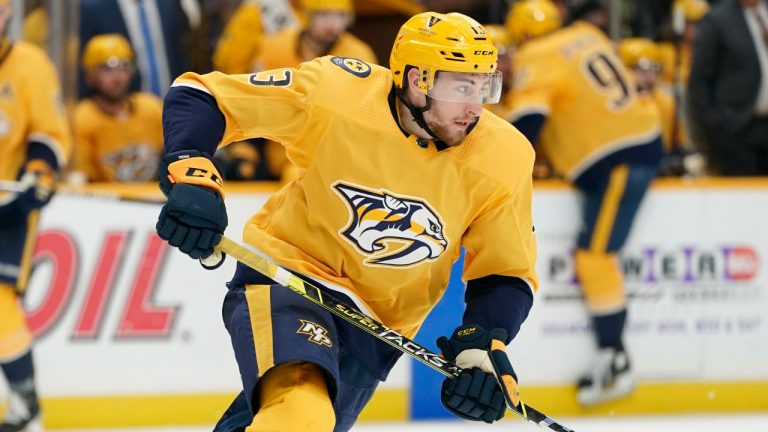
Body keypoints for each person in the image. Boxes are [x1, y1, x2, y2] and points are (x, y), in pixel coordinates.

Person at [157, 11, 538, 431]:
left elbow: (505, 271)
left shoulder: (505, 155)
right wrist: (191, 170)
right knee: (302, 409)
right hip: (290, 277)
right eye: (462, 86)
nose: (475, 106)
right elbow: (203, 94)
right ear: (417, 80)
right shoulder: (338, 92)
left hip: (378, 327)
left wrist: (482, 341)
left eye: (485, 86)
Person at [507, 0, 662, 406]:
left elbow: (527, 123)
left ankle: (615, 359)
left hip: (616, 159)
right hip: (639, 141)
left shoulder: (535, 55)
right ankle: (614, 357)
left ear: (522, 34)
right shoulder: (586, 34)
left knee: (595, 257)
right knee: (595, 253)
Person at [0, 0, 72, 430]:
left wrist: (39, 171)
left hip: (7, 207)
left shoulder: (30, 65)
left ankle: (26, 406)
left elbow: (49, 132)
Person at [687, 0, 768, 176]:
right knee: (741, 198)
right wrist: (716, 125)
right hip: (738, 129)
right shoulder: (717, 20)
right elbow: (698, 81)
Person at [73, 34, 164, 183]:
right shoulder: (82, 118)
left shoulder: (152, 108)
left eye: (124, 66)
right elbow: (79, 180)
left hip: (153, 201)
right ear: (90, 76)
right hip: (106, 204)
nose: (117, 77)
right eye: (106, 69)